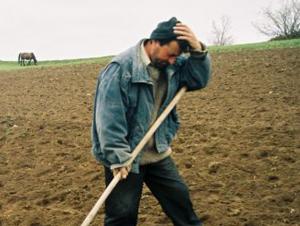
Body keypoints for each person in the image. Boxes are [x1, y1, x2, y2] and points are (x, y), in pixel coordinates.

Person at [91, 17, 211, 226]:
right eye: (171, 54)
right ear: (155, 42)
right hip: (126, 156)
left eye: (177, 56)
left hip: (157, 151)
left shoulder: (173, 65)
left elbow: (198, 80)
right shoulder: (120, 69)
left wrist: (198, 50)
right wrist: (118, 157)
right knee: (122, 215)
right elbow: (109, 118)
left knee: (180, 200)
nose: (174, 60)